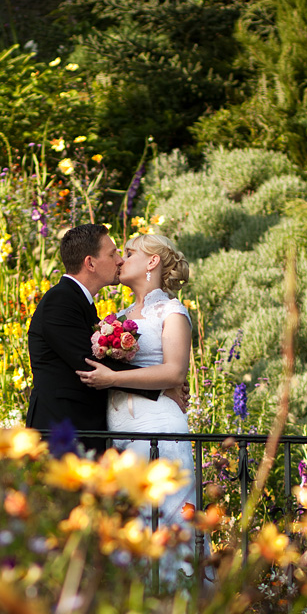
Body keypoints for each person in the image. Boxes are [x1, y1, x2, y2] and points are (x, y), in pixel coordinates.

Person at [76, 233, 196, 582]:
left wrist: (112, 378)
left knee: (167, 524)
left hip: (159, 429)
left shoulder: (173, 312)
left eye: (129, 253)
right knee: (131, 530)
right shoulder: (116, 318)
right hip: (120, 432)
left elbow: (174, 371)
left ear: (153, 262)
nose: (121, 259)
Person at [26, 223, 162, 453]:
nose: (120, 260)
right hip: (60, 432)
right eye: (112, 254)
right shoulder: (59, 301)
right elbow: (90, 362)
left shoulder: (79, 302)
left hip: (80, 431)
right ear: (90, 263)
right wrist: (161, 385)